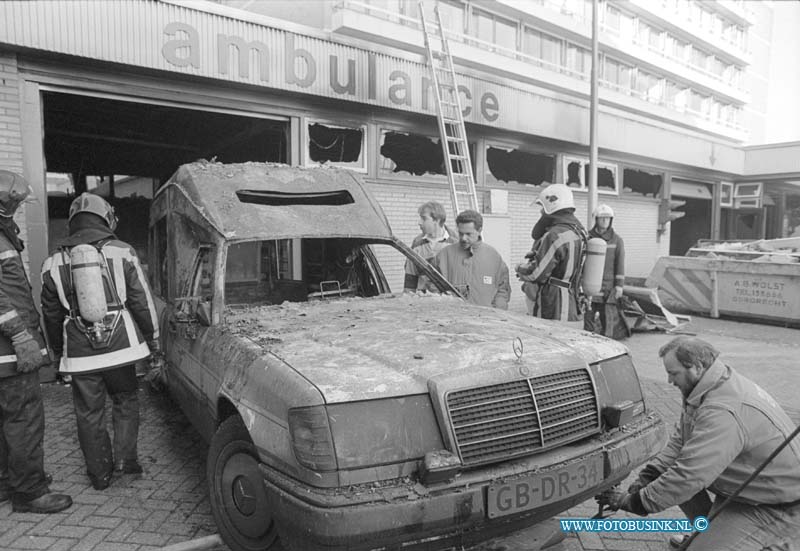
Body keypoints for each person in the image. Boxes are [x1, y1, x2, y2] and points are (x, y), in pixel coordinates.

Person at [598, 337, 800, 550]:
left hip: (776, 505)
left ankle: (774, 541)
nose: (669, 380)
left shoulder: (722, 410)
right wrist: (650, 475)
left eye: (673, 373)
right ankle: (709, 535)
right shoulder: (710, 385)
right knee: (670, 482)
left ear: (697, 367)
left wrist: (635, 502)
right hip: (749, 489)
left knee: (680, 487)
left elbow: (689, 476)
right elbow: (683, 441)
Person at [41, 193, 160, 491]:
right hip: (121, 348)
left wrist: (58, 354)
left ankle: (99, 475)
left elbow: (51, 316)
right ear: (105, 218)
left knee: (88, 412)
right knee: (125, 401)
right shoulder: (123, 252)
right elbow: (141, 301)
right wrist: (153, 339)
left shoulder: (51, 263)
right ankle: (126, 463)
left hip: (80, 355)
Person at [0, 170, 72, 513]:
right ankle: (29, 492)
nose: (15, 209)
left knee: (5, 420)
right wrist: (18, 334)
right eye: (14, 203)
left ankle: (8, 483)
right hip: (9, 352)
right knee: (24, 418)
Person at [516, 183, 587, 321]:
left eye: (543, 207)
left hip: (554, 302)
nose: (541, 211)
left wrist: (520, 268)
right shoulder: (579, 231)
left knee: (548, 340)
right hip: (572, 298)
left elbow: (536, 273)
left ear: (551, 206)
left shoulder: (555, 235)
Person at [433, 209, 510, 309]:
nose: (463, 238)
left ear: (479, 230)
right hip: (452, 320)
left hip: (487, 320)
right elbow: (432, 287)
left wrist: (498, 311)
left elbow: (503, 289)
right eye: (460, 233)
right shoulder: (444, 256)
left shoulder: (494, 257)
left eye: (469, 234)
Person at [583, 204, 629, 339]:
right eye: (602, 218)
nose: (604, 221)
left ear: (611, 220)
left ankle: (607, 345)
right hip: (589, 286)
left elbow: (620, 264)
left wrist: (619, 286)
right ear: (596, 219)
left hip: (607, 289)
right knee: (588, 318)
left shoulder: (617, 240)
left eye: (607, 218)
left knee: (608, 321)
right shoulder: (587, 237)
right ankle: (587, 342)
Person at [403, 201, 456, 293]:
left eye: (424, 219)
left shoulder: (455, 244)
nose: (419, 223)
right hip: (424, 303)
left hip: (448, 303)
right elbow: (410, 280)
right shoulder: (417, 244)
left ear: (437, 220)